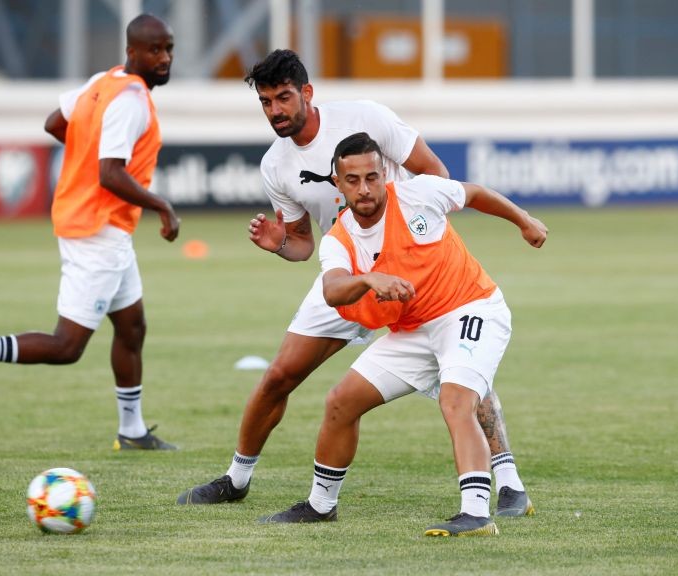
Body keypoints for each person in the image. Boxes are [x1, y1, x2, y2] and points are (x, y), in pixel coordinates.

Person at [177, 49, 532, 517]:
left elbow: (436, 173)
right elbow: (303, 243)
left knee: (462, 365)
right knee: (281, 375)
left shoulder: (367, 118)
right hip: (347, 267)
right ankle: (237, 478)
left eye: (283, 98)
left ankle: (508, 483)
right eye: (266, 102)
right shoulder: (275, 166)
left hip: (411, 263)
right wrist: (278, 244)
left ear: (306, 92)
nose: (276, 111)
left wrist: (418, 239)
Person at [259, 132, 547, 536]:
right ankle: (321, 505)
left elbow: (476, 193)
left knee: (455, 400)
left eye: (373, 177)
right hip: (415, 331)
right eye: (354, 180)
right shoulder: (340, 238)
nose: (365, 188)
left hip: (472, 307)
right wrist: (370, 279)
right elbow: (332, 289)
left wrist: (524, 220)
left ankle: (476, 512)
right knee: (341, 402)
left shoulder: (418, 193)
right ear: (338, 185)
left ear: (384, 175)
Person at [0, 14, 181, 451]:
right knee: (67, 345)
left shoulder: (101, 82)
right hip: (97, 230)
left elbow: (54, 123)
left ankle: (133, 430)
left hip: (101, 228)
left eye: (168, 49)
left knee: (132, 327)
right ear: (132, 51)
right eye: (155, 50)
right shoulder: (130, 100)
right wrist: (162, 206)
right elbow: (109, 173)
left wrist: (86, 156)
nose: (164, 59)